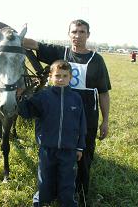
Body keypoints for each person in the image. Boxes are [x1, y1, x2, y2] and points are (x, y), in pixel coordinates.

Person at [23, 19, 111, 204]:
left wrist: (105, 120)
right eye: (74, 32)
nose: (77, 36)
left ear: (88, 34)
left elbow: (103, 92)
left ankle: (81, 192)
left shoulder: (97, 60)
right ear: (69, 34)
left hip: (86, 114)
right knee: (57, 156)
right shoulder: (61, 53)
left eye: (81, 32)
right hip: (57, 114)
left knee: (84, 154)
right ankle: (53, 191)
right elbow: (34, 44)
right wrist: (11, 37)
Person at [18, 60, 86, 207]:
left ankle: (67, 203)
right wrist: (19, 98)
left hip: (69, 150)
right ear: (50, 77)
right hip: (47, 148)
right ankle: (41, 201)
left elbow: (82, 124)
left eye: (64, 76)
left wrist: (80, 147)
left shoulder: (76, 98)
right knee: (44, 180)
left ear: (70, 77)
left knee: (67, 181)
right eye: (57, 76)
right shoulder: (43, 96)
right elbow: (26, 112)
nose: (61, 79)